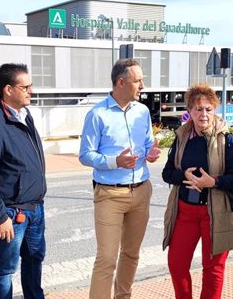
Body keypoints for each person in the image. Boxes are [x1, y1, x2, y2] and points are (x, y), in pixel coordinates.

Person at [79, 58, 161, 299]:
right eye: (138, 81)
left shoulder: (143, 111)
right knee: (106, 258)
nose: (143, 85)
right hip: (110, 194)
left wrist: (150, 151)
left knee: (132, 254)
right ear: (121, 82)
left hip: (141, 191)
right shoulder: (97, 114)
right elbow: (85, 155)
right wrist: (115, 161)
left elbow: (146, 142)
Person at [161, 84, 233, 299]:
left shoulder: (226, 139)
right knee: (177, 265)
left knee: (213, 268)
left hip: (215, 212)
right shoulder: (181, 138)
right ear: (190, 111)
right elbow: (167, 173)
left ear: (215, 110)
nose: (204, 114)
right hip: (185, 212)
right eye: (198, 109)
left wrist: (213, 182)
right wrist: (183, 176)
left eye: (208, 109)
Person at [0, 63, 47, 299]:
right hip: (10, 214)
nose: (30, 91)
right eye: (25, 87)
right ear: (8, 90)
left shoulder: (25, 115)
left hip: (35, 208)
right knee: (5, 270)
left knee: (34, 260)